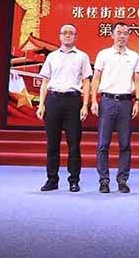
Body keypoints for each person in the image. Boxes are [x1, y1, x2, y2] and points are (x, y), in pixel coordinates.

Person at [36, 24, 92, 192]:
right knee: (52, 143)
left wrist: (85, 105)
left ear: (76, 37)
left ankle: (73, 180)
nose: (67, 35)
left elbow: (86, 82)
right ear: (60, 36)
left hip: (73, 101)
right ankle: (52, 179)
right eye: (64, 33)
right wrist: (41, 104)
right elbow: (45, 82)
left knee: (74, 143)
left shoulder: (82, 56)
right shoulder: (52, 57)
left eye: (71, 33)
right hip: (53, 100)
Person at [91, 22, 139, 194]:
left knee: (125, 144)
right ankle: (104, 180)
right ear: (112, 35)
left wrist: (137, 101)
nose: (122, 36)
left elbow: (138, 80)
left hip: (126, 102)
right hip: (107, 101)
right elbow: (96, 78)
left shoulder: (134, 56)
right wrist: (94, 100)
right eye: (119, 32)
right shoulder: (103, 54)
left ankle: (122, 180)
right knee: (103, 144)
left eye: (125, 33)